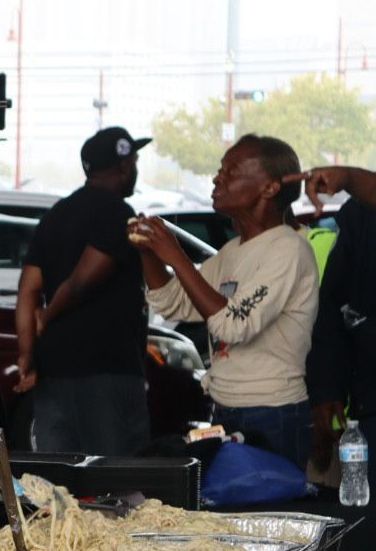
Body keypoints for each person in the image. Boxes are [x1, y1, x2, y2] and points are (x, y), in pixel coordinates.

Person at [131, 135, 319, 471]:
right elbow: (174, 304)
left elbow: (233, 326)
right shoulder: (233, 253)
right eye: (220, 170)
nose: (218, 179)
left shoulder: (287, 249)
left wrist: (176, 255)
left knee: (265, 520)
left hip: (272, 413)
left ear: (270, 188)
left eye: (231, 172)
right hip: (225, 407)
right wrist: (149, 254)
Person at [14, 127, 150, 455]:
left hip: (55, 368)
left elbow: (28, 289)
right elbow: (83, 281)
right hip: (106, 366)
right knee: (114, 482)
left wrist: (28, 355)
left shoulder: (56, 215)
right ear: (125, 167)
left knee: (61, 480)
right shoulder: (118, 213)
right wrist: (47, 315)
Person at [299, 166, 376, 477]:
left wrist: (350, 178)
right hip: (368, 406)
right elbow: (334, 310)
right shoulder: (358, 216)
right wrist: (327, 390)